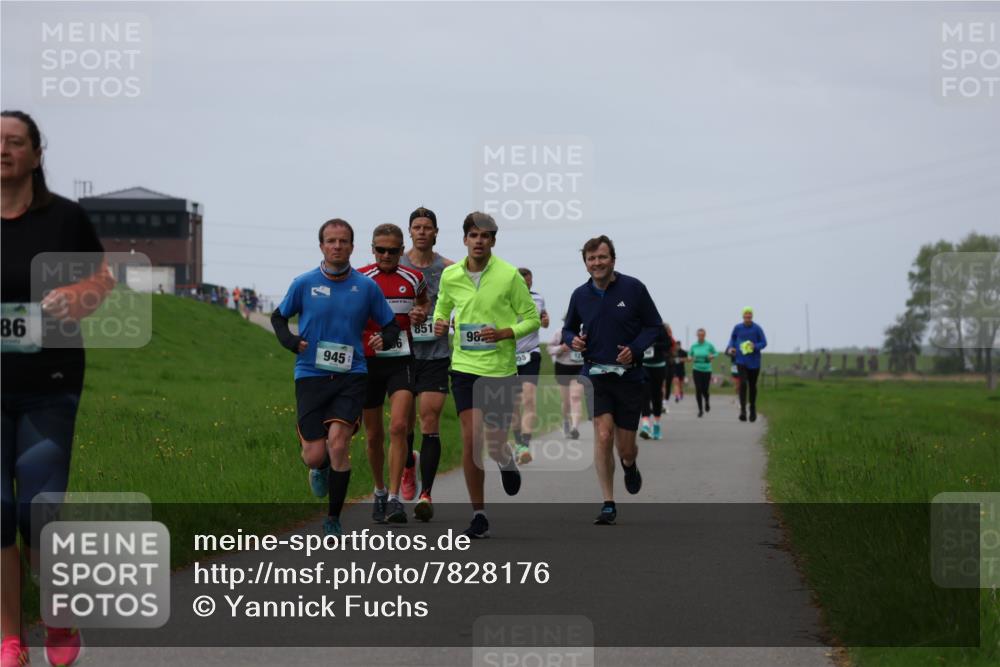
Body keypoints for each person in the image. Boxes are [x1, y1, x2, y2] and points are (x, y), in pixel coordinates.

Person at [2, 110, 115, 667]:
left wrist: (79, 296)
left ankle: (57, 613)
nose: (3, 150)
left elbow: (103, 278)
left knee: (38, 509)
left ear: (36, 154)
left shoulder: (64, 219)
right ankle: (9, 637)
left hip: (49, 383)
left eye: (14, 142)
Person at [271, 218, 399, 536]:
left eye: (343, 241)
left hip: (351, 374)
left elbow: (391, 325)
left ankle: (333, 519)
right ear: (321, 246)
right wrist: (289, 341)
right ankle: (320, 467)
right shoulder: (304, 283)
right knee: (316, 455)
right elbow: (278, 317)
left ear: (352, 247)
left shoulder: (366, 287)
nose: (337, 246)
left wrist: (385, 339)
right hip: (311, 374)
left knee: (339, 443)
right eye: (331, 241)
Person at [432, 212, 539, 538]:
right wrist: (439, 321)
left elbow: (531, 319)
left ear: (493, 241)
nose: (479, 241)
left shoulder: (509, 276)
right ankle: (479, 514)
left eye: (485, 236)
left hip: (500, 370)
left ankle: (505, 460)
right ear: (465, 239)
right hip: (464, 368)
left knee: (494, 443)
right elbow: (442, 305)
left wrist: (507, 332)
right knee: (471, 438)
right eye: (473, 235)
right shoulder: (450, 275)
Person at [563, 235, 662, 526]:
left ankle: (629, 465)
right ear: (586, 263)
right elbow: (568, 329)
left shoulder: (634, 288)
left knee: (625, 447)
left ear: (613, 260)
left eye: (602, 257)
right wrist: (574, 341)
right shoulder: (580, 295)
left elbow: (654, 325)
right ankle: (608, 502)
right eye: (591, 259)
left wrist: (635, 349)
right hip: (595, 375)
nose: (597, 263)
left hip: (629, 377)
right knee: (603, 435)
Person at [358, 223, 428, 524]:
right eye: (380, 250)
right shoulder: (360, 278)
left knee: (399, 426)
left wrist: (420, 313)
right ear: (372, 249)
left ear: (402, 250)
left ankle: (397, 498)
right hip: (369, 362)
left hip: (401, 360)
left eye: (393, 250)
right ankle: (379, 490)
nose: (386, 255)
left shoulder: (414, 278)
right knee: (373, 435)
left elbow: (423, 303)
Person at [399, 207, 454, 521]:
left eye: (427, 227)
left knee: (429, 418)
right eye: (416, 227)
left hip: (435, 354)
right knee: (403, 422)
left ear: (436, 232)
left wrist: (449, 323)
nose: (422, 231)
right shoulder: (399, 265)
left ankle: (426, 493)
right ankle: (408, 464)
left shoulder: (449, 269)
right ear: (410, 231)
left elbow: (464, 307)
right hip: (403, 354)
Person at [510, 267, 548, 464]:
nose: (527, 286)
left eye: (529, 283)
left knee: (529, 400)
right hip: (509, 356)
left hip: (531, 354)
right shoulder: (506, 297)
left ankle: (525, 444)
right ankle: (518, 442)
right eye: (523, 283)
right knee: (514, 405)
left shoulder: (538, 298)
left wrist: (545, 320)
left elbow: (544, 320)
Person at [726, 307, 768, 422]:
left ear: (752, 316)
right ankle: (743, 411)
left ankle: (752, 408)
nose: (748, 317)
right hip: (741, 360)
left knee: (752, 386)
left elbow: (764, 342)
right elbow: (732, 340)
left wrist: (755, 346)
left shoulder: (757, 328)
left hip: (754, 362)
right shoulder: (738, 328)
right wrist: (731, 348)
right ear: (743, 316)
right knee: (743, 384)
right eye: (746, 315)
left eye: (749, 315)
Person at [547, 326, 584, 439]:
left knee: (575, 397)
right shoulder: (560, 333)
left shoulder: (587, 332)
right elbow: (549, 349)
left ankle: (575, 428)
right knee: (566, 401)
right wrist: (561, 348)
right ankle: (566, 421)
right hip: (563, 367)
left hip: (579, 367)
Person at [639, 323, 672, 440]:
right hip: (644, 366)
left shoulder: (659, 327)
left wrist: (654, 345)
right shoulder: (638, 326)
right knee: (644, 395)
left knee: (656, 396)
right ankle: (646, 425)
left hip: (659, 366)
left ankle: (657, 426)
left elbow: (668, 344)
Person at [687, 328, 717, 417]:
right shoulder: (694, 346)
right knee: (698, 389)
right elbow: (689, 355)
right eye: (699, 335)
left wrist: (712, 356)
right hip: (696, 369)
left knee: (705, 389)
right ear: (697, 335)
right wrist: (690, 358)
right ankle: (700, 410)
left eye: (702, 335)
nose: (701, 337)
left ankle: (707, 402)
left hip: (707, 369)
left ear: (705, 335)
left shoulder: (709, 345)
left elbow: (716, 353)